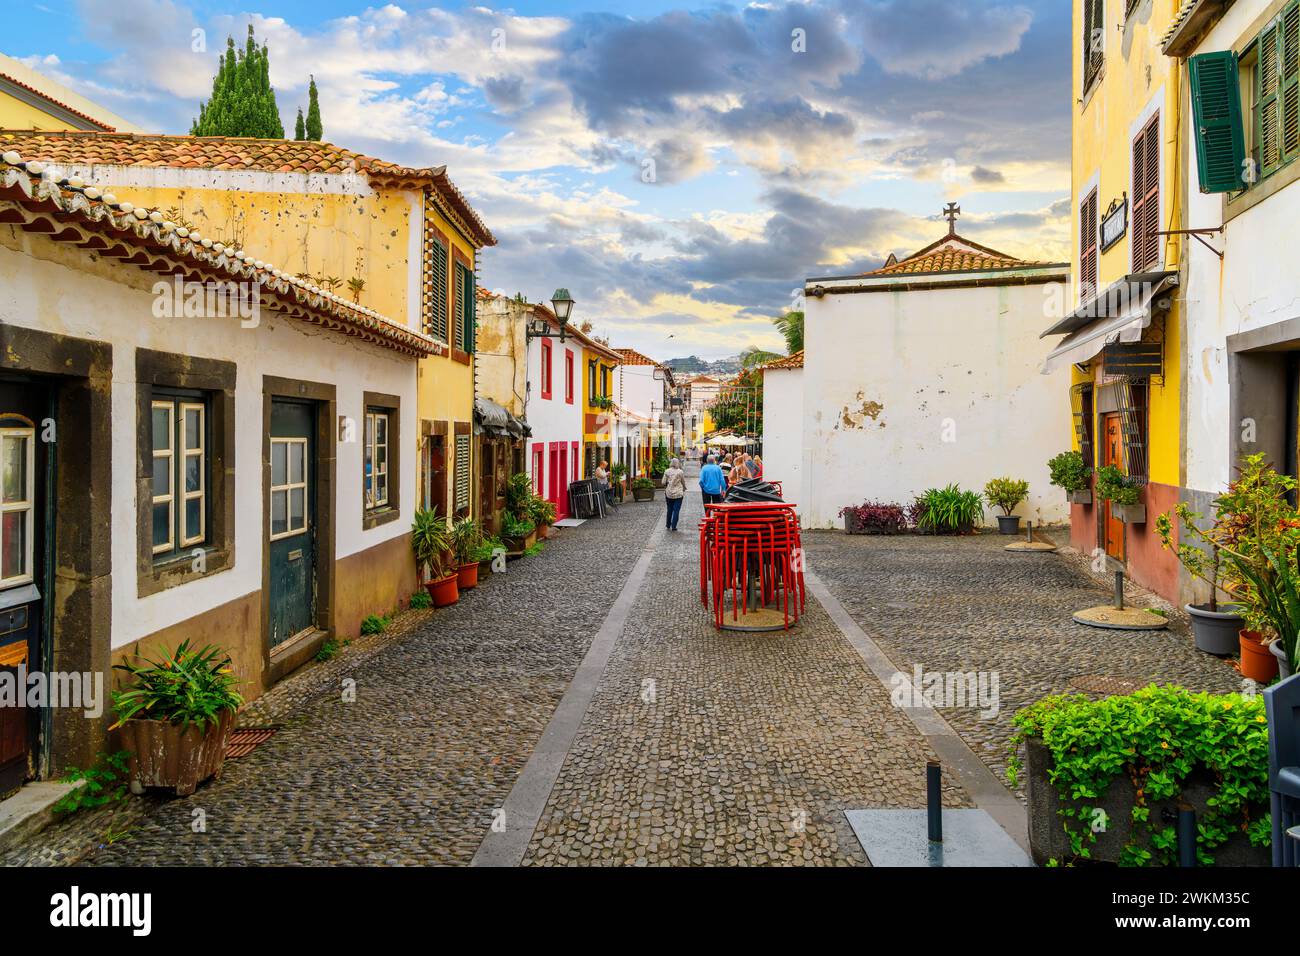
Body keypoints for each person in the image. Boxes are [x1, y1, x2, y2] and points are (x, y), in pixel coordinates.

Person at [663, 457, 686, 530]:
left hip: (669, 493)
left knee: (669, 509)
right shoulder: (680, 472)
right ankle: (674, 526)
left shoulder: (667, 471)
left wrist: (668, 483)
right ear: (677, 463)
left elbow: (663, 482)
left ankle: (667, 524)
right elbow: (683, 482)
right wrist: (684, 488)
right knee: (676, 510)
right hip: (678, 494)